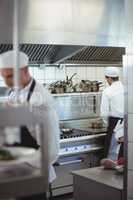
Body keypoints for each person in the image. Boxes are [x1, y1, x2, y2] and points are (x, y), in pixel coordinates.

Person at [0, 50, 60, 200]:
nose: (7, 82)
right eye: (4, 77)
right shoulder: (16, 92)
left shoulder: (40, 102)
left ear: (25, 71)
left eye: (10, 76)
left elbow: (50, 151)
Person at [100, 66, 124, 169]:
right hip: (128, 122)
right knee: (124, 150)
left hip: (114, 122)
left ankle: (112, 170)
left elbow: (104, 113)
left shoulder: (107, 91)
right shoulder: (127, 87)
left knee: (112, 151)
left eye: (106, 78)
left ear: (109, 78)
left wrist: (107, 124)